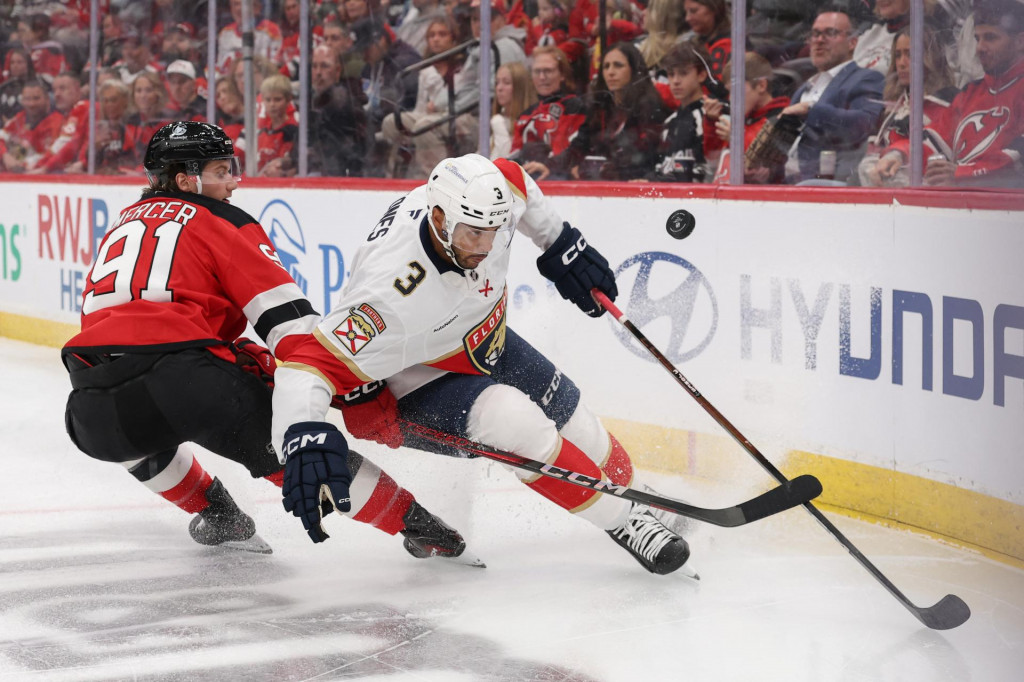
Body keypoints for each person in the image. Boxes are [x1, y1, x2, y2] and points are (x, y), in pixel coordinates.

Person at [61, 121, 474, 561]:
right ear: (185, 180)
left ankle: (220, 516)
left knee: (132, 433)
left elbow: (116, 326)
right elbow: (288, 322)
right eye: (221, 171)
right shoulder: (221, 220)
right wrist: (349, 389)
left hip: (90, 402)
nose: (233, 182)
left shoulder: (121, 224)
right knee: (300, 453)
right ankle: (420, 526)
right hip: (190, 384)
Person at [270, 153, 692, 576]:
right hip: (416, 379)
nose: (487, 247)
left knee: (579, 423)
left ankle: (639, 496)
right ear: (439, 218)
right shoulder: (387, 295)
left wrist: (560, 243)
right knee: (515, 420)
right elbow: (304, 365)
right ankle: (626, 522)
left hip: (483, 338)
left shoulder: (483, 206)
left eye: (494, 232)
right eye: (474, 234)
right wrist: (301, 434)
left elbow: (513, 174)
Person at [875, 0, 1024, 188]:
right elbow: (936, 138)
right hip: (961, 199)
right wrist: (898, 154)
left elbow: (1018, 159)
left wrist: (962, 175)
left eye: (991, 38)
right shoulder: (971, 93)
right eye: (977, 39)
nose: (980, 47)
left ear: (1020, 41)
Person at [781, 8, 885, 184]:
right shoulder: (806, 86)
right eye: (815, 34)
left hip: (827, 183)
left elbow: (866, 123)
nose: (819, 40)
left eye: (830, 33)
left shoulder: (866, 78)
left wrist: (811, 110)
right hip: (790, 182)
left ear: (852, 42)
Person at [859, 26, 955, 187]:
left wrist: (897, 156)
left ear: (930, 58)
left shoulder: (948, 100)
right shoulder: (893, 106)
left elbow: (936, 151)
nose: (902, 63)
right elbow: (874, 152)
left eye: (910, 55)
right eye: (897, 55)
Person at [568, 42, 671, 180]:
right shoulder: (599, 108)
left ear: (634, 70)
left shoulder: (651, 109)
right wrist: (557, 164)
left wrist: (604, 170)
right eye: (606, 66)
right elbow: (578, 146)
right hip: (600, 184)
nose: (610, 72)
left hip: (634, 185)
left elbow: (646, 161)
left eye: (618, 65)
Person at [378, 16, 463, 178]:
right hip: (427, 114)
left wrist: (436, 103)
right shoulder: (426, 69)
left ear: (453, 39)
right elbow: (420, 107)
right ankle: (394, 173)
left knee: (425, 125)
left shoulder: (461, 67)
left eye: (442, 34)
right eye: (432, 35)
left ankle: (436, 176)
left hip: (454, 115)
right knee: (391, 122)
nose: (436, 39)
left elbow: (457, 100)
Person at [711, 52, 795, 184]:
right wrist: (710, 121)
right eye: (729, 92)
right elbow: (712, 157)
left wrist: (736, 139)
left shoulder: (783, 120)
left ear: (761, 85)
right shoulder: (741, 121)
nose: (731, 98)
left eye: (736, 90)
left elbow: (762, 160)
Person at [513, 45, 587, 181]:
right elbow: (515, 153)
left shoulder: (575, 107)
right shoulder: (525, 115)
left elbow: (572, 151)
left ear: (562, 74)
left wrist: (548, 165)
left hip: (559, 180)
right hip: (528, 180)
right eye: (537, 71)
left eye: (548, 71)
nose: (542, 77)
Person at [648, 41, 714, 183]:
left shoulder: (708, 117)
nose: (675, 81)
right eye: (671, 74)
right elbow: (662, 167)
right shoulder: (669, 122)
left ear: (702, 75)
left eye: (683, 73)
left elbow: (707, 172)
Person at [28, 72, 91, 174]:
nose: (57, 94)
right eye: (54, 90)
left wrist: (43, 168)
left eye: (62, 89)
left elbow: (65, 144)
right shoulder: (67, 115)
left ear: (77, 90)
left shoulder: (82, 107)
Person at [0, 78, 63, 172]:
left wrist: (20, 164)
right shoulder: (19, 119)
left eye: (36, 98)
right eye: (27, 99)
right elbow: (1, 136)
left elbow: (51, 156)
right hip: (16, 173)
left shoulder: (58, 122)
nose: (31, 104)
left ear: (47, 99)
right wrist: (5, 155)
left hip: (43, 175)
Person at [255, 74, 299, 177]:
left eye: (277, 99)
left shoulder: (293, 132)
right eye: (268, 100)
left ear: (288, 100)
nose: (272, 104)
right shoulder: (262, 131)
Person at [490, 61, 536, 159]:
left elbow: (507, 159)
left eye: (506, 83)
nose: (499, 88)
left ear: (520, 88)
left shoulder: (530, 124)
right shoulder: (498, 120)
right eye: (497, 82)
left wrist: (498, 124)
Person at [682, 0, 732, 83]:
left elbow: (719, 85)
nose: (687, 18)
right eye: (686, 12)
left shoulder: (731, 43)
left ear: (714, 9)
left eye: (693, 11)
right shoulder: (691, 43)